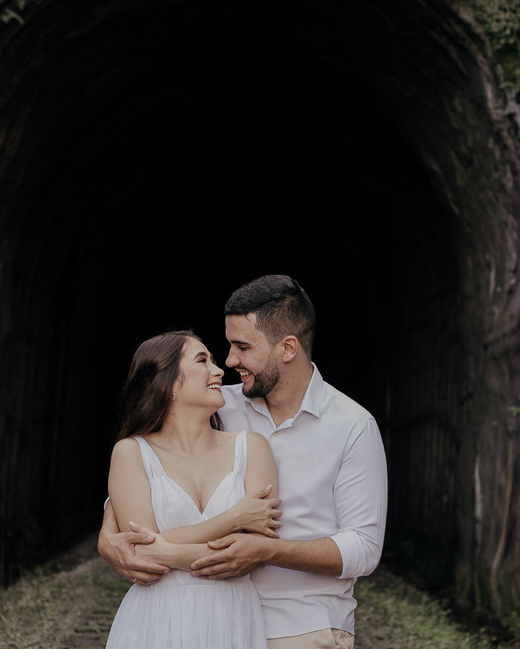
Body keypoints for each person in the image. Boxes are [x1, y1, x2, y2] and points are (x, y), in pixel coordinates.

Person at [100, 275, 388, 649]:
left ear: (288, 348)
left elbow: (364, 547)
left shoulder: (353, 426)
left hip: (303, 621)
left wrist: (270, 551)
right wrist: (108, 536)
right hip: (214, 621)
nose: (230, 361)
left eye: (242, 347)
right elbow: (154, 474)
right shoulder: (219, 405)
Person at [103, 329, 283, 649]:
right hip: (157, 619)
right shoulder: (131, 452)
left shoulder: (251, 448)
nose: (218, 370)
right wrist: (234, 518)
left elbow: (252, 552)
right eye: (203, 360)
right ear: (168, 382)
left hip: (233, 617)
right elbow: (143, 556)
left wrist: (166, 550)